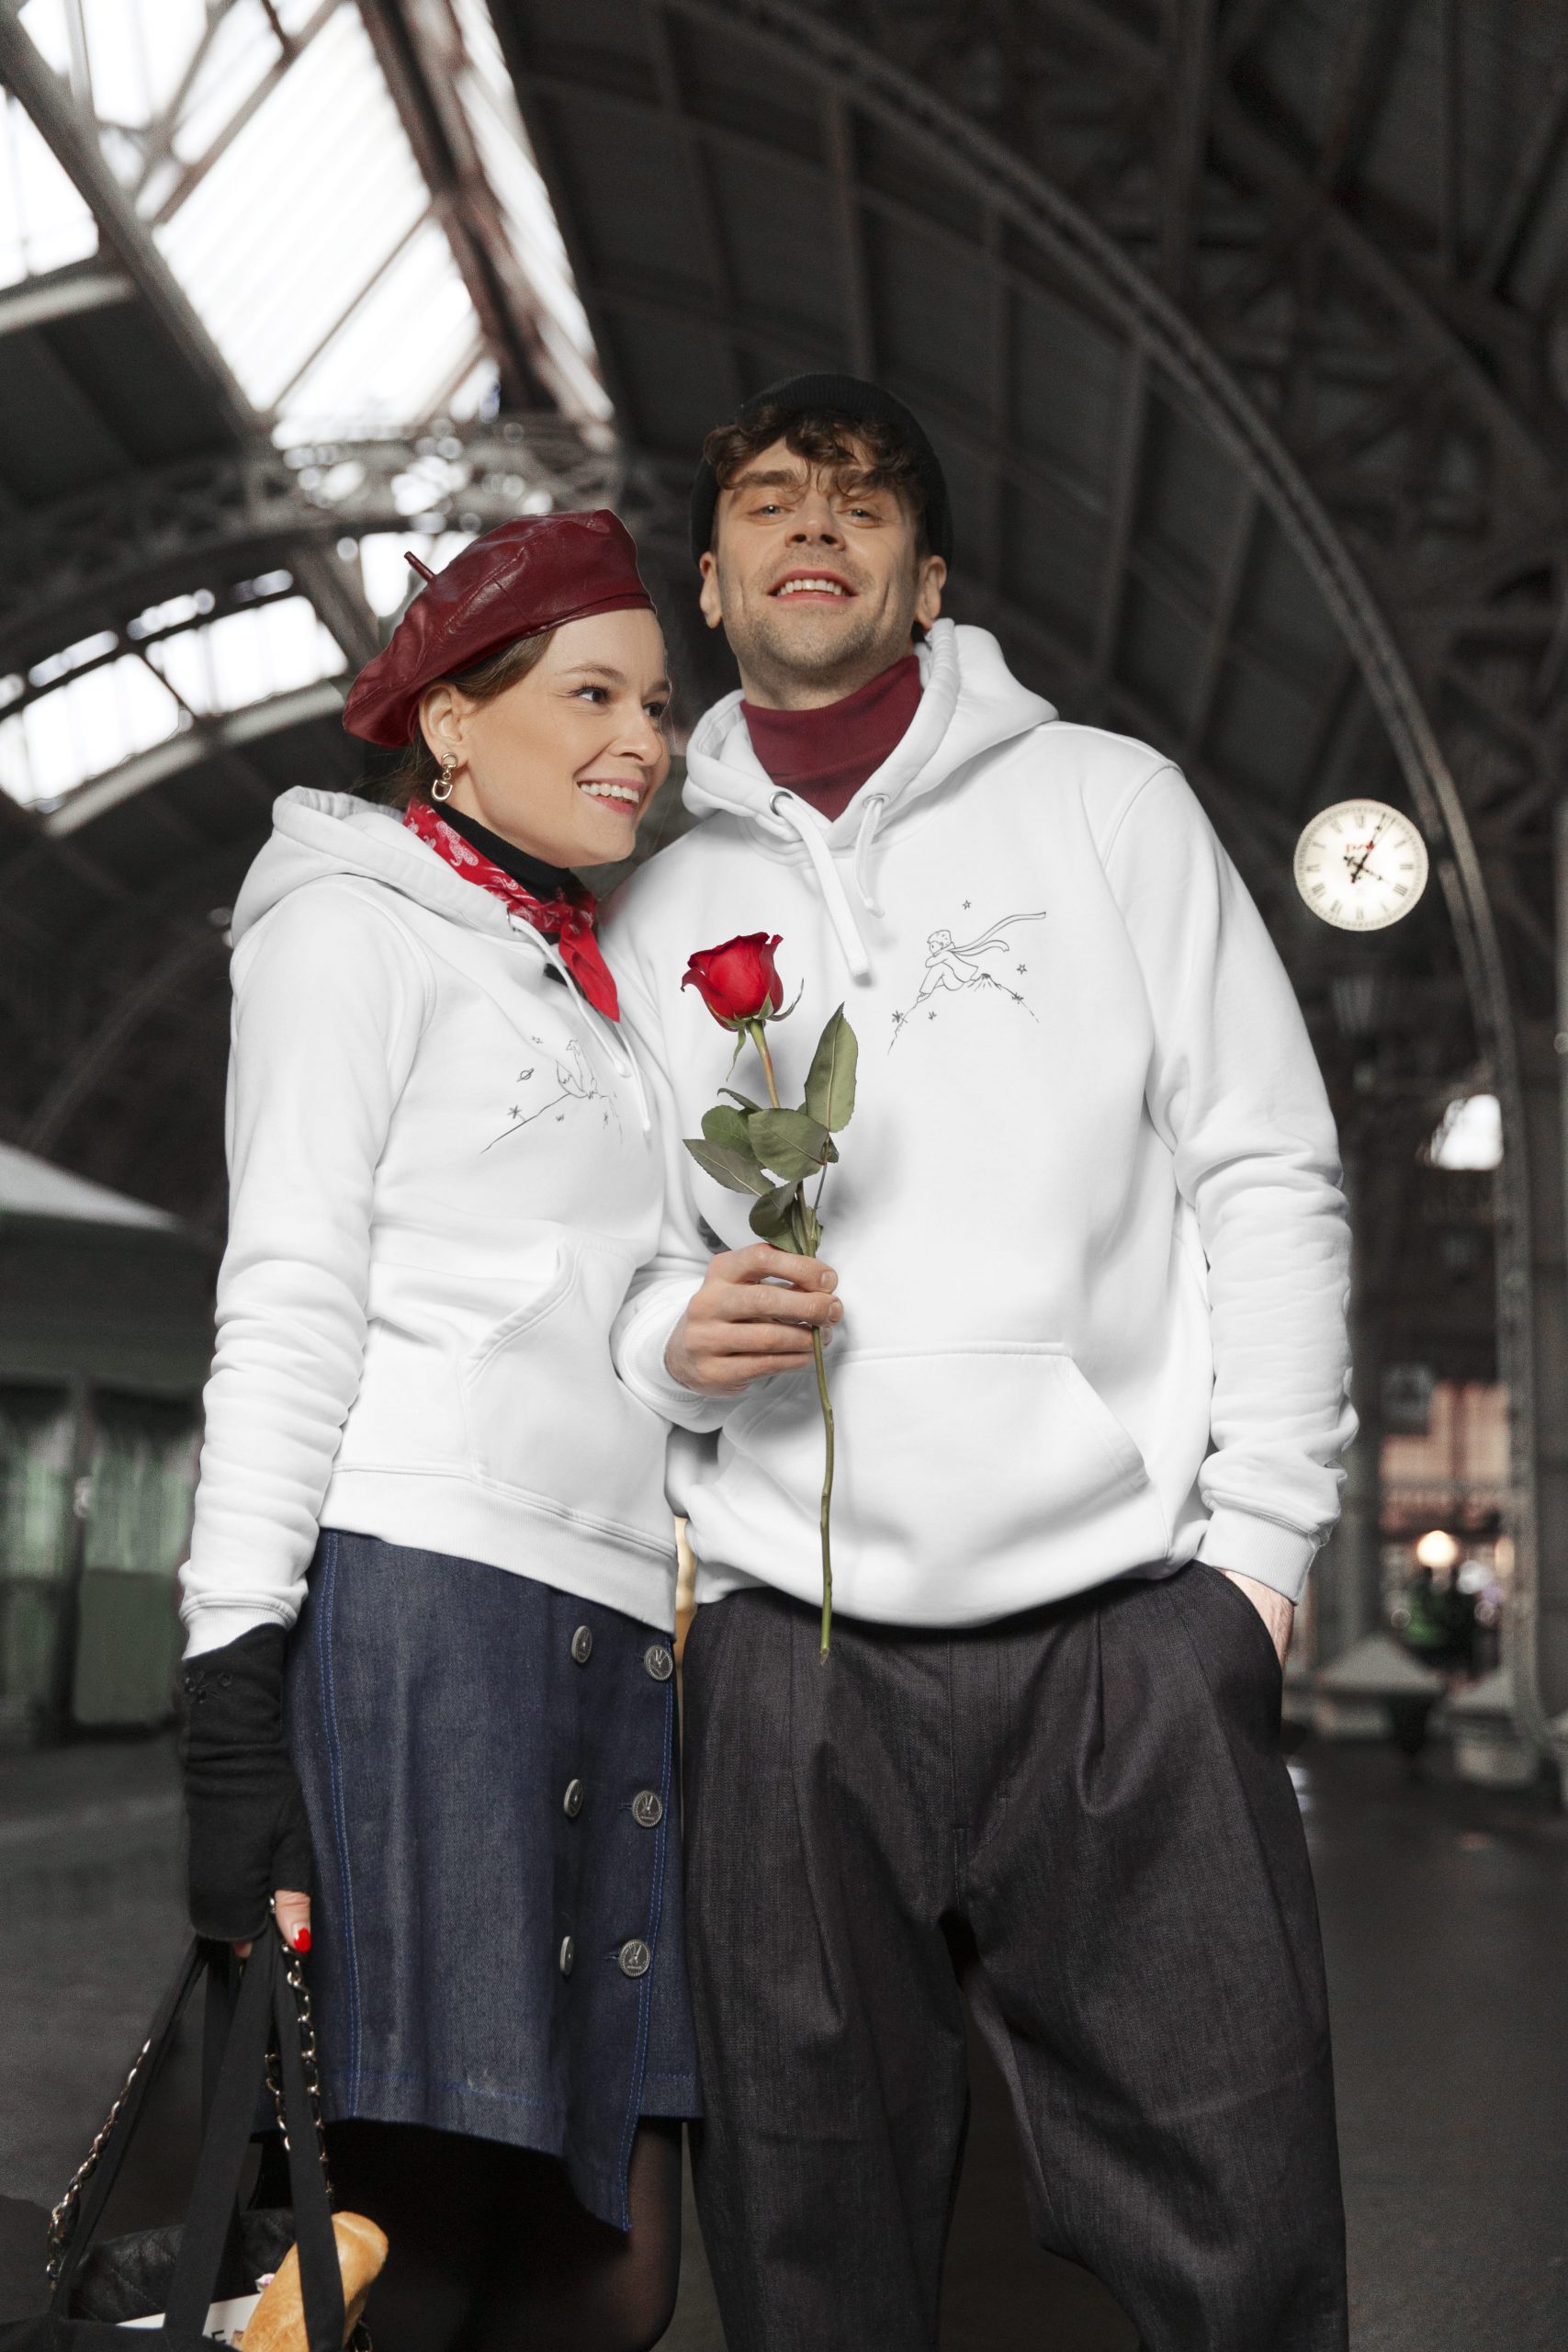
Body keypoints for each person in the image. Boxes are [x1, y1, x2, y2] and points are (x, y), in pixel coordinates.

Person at [603, 376, 1358, 2352]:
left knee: (1238, 2216)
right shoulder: (649, 899)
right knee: (809, 2236)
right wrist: (670, 1344)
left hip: (1126, 1626)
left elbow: (1265, 1170)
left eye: (862, 501)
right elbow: (607, 1260)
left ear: (928, 580)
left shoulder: (1108, 804)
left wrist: (1258, 1562)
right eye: (770, 499)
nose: (813, 523)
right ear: (710, 583)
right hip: (787, 1644)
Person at [176, 511, 696, 2352]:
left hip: (619, 1618)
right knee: (415, 2248)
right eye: (592, 693)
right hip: (429, 1604)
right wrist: (233, 1684)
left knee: (611, 2278)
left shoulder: (587, 976)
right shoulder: (345, 930)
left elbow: (606, 1297)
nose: (643, 736)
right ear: (452, 722)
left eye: (657, 700)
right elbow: (289, 1293)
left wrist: (692, 1338)